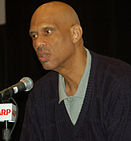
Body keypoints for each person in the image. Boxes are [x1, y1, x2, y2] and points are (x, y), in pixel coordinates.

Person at [20, 1, 131, 141]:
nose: (38, 43)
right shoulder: (40, 94)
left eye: (47, 32)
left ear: (75, 33)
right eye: (34, 36)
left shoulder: (118, 82)